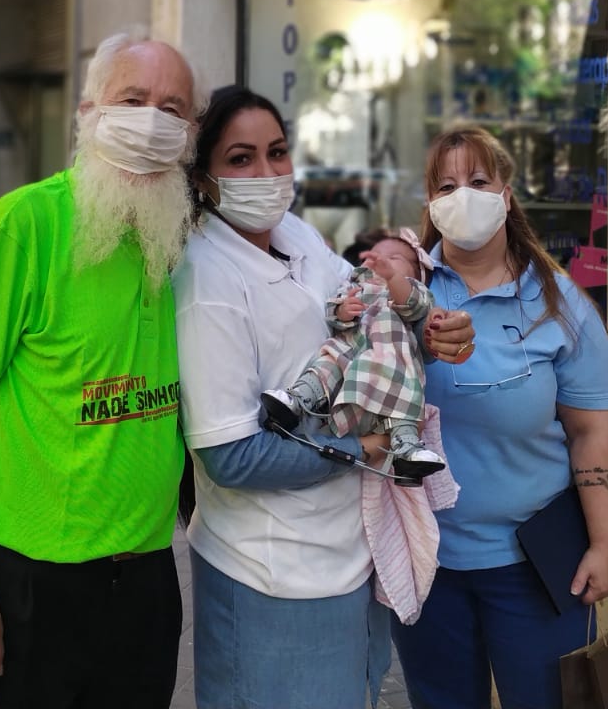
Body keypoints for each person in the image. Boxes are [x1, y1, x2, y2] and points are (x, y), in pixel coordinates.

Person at [0, 30, 200, 709]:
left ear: (191, 134)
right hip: (26, 590)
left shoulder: (177, 242)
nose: (152, 122)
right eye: (133, 99)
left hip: (146, 588)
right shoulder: (23, 227)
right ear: (87, 111)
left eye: (174, 108)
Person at [173, 87, 475, 709]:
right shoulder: (207, 281)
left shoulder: (297, 234)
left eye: (277, 152)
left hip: (346, 560)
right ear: (203, 178)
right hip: (270, 576)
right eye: (240, 159)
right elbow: (232, 458)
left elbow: (367, 303)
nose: (266, 174)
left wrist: (430, 329)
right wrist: (369, 445)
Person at [391, 124, 608, 709]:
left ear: (506, 195)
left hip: (538, 566)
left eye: (478, 180)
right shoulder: (399, 294)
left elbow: (592, 431)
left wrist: (605, 542)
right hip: (427, 563)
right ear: (430, 206)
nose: (462, 195)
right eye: (446, 185)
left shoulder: (559, 303)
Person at [260, 229, 446, 481]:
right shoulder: (357, 285)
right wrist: (344, 311)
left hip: (391, 359)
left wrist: (393, 278)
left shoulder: (411, 290)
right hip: (348, 352)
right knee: (325, 365)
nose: (382, 261)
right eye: (376, 256)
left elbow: (413, 307)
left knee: (405, 394)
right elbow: (334, 313)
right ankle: (298, 401)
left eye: (394, 258)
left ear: (416, 274)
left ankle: (406, 446)